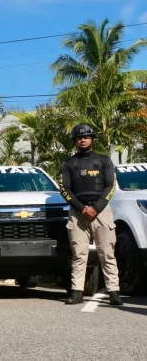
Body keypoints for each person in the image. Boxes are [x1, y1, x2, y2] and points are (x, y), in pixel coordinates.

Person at [59, 123, 122, 305]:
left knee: (107, 253)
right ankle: (77, 292)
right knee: (79, 254)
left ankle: (114, 292)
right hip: (78, 213)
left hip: (101, 212)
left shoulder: (104, 161)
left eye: (86, 136)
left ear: (92, 138)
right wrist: (82, 208)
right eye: (79, 137)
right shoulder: (68, 163)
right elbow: (65, 188)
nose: (83, 139)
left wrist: (97, 207)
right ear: (75, 141)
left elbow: (111, 186)